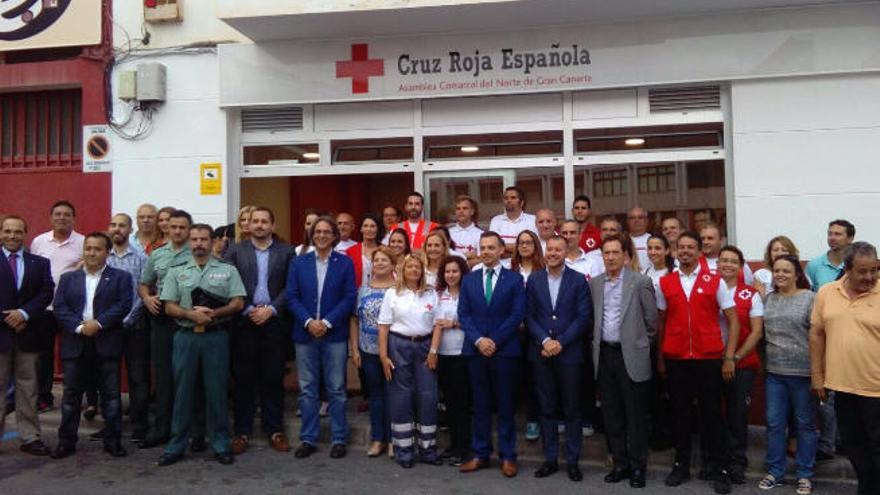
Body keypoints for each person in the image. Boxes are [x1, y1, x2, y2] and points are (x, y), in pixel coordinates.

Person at [155, 223, 246, 467]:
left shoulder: (227, 270)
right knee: (183, 392)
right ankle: (176, 445)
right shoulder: (177, 270)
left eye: (203, 239)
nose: (198, 244)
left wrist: (214, 313)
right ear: (189, 242)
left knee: (217, 392)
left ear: (212, 241)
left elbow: (238, 302)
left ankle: (221, 444)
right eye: (194, 239)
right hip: (186, 337)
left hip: (216, 337)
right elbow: (169, 306)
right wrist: (191, 314)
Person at [656, 231, 739, 494]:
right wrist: (660, 358)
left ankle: (720, 468)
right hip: (677, 358)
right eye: (681, 247)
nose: (686, 251)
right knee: (680, 414)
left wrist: (729, 357)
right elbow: (661, 322)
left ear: (699, 252)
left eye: (691, 247)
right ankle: (681, 465)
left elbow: (734, 320)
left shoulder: (715, 281)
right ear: (674, 252)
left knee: (712, 415)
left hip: (709, 358)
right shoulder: (665, 282)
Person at [51, 232, 133, 459]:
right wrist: (79, 327)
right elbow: (60, 308)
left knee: (111, 397)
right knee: (70, 398)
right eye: (88, 248)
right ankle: (66, 441)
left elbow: (124, 304)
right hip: (75, 343)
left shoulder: (121, 277)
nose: (91, 253)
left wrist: (98, 324)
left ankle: (113, 441)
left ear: (107, 252)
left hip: (106, 343)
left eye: (97, 249)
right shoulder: (69, 279)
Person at [810, 242, 880, 495]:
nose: (870, 277)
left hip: (876, 389)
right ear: (847, 269)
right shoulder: (827, 293)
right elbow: (816, 334)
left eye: (874, 270)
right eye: (863, 271)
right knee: (853, 445)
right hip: (841, 386)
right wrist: (817, 376)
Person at [224, 207, 295, 456]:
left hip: (274, 323)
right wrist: (248, 308)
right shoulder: (234, 251)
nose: (260, 225)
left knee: (273, 378)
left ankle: (274, 430)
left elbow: (291, 287)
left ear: (273, 225)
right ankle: (242, 432)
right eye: (255, 221)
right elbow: (227, 283)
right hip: (244, 322)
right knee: (243, 379)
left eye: (265, 221)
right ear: (248, 225)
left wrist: (272, 309)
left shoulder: (286, 252)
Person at [286, 216, 357, 459]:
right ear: (312, 235)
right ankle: (308, 438)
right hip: (304, 334)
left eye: (327, 231)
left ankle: (339, 438)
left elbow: (349, 297)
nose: (322, 235)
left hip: (334, 334)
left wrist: (326, 322)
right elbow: (291, 296)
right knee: (307, 390)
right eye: (318, 231)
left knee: (336, 388)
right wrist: (308, 322)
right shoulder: (299, 263)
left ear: (334, 235)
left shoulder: (345, 263)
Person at [590, 235, 657, 489]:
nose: (610, 257)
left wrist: (637, 345)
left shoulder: (640, 282)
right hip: (604, 356)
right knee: (612, 414)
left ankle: (638, 467)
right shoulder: (595, 284)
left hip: (631, 356)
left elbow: (652, 324)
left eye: (615, 252)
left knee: (635, 416)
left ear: (625, 255)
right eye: (606, 253)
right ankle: (620, 464)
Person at [458, 232, 526, 478]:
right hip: (476, 351)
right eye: (482, 247)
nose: (485, 251)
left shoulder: (514, 280)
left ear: (501, 251)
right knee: (480, 405)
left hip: (504, 351)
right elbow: (463, 314)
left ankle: (508, 456)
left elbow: (517, 314)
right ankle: (480, 454)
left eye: (490, 247)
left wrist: (494, 341)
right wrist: (478, 340)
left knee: (506, 405)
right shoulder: (469, 280)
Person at [527, 235, 592, 482]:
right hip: (541, 352)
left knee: (572, 408)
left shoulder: (578, 280)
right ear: (545, 252)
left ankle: (573, 461)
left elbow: (583, 317)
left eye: (558, 249)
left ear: (566, 252)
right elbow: (529, 315)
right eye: (550, 249)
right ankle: (550, 459)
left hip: (570, 354)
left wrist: (560, 342)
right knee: (547, 408)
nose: (553, 253)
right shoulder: (534, 280)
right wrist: (545, 341)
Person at [758, 255, 816, 494]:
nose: (780, 274)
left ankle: (804, 474)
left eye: (786, 271)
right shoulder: (768, 299)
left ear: (797, 274)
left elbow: (817, 335)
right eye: (777, 270)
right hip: (775, 373)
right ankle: (775, 471)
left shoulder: (809, 298)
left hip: (803, 373)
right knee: (774, 424)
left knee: (805, 425)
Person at [138, 209, 196, 449]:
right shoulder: (157, 254)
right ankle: (161, 428)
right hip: (162, 317)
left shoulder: (197, 252)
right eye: (174, 227)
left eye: (183, 227)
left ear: (189, 229)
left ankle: (190, 429)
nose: (178, 231)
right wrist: (146, 298)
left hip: (189, 316)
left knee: (189, 374)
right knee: (163, 375)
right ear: (167, 229)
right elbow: (144, 284)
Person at [377, 254, 442, 468]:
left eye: (417, 267)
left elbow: (438, 325)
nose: (414, 270)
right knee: (401, 396)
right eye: (409, 267)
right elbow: (384, 327)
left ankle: (428, 449)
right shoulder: (392, 293)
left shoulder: (431, 294)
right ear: (403, 270)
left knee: (428, 395)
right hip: (399, 345)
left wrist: (433, 350)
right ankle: (403, 450)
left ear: (422, 271)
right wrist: (384, 356)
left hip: (424, 346)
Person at [0, 215, 54, 456]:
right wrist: (8, 318)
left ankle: (30, 436)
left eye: (18, 231)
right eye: (8, 231)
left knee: (28, 387)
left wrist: (23, 314)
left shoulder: (39, 262)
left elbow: (46, 292)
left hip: (28, 333)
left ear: (25, 234)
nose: (13, 236)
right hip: (1, 333)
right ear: (1, 233)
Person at [30, 200, 85, 413]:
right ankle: (44, 397)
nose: (62, 218)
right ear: (50, 217)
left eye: (67, 214)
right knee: (43, 355)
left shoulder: (82, 242)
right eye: (58, 214)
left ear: (74, 218)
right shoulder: (39, 242)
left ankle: (75, 396)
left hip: (72, 309)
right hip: (45, 308)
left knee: (74, 355)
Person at [805, 218, 853, 462]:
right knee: (826, 393)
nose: (833, 237)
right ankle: (828, 442)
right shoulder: (815, 265)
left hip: (850, 337)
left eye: (838, 234)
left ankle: (845, 440)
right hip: (824, 336)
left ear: (850, 238)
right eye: (830, 233)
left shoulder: (856, 265)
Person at [716, 246, 764, 485]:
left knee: (736, 414)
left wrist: (733, 358)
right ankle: (717, 462)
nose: (727, 265)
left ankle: (736, 463)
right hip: (711, 361)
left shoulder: (749, 294)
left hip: (742, 364)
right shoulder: (708, 290)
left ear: (741, 265)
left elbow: (756, 332)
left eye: (732, 261)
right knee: (715, 414)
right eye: (723, 260)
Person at [349, 247, 396, 458]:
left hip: (394, 351)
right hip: (367, 351)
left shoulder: (399, 290)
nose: (379, 263)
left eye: (384, 260)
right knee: (376, 396)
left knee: (395, 396)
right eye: (376, 260)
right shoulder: (363, 290)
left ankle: (395, 439)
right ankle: (379, 439)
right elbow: (354, 319)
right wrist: (355, 349)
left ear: (393, 264)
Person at [107, 213, 148, 444]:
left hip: (136, 326)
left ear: (130, 229)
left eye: (122, 225)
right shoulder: (104, 256)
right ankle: (111, 426)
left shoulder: (141, 257)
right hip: (108, 328)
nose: (117, 229)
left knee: (138, 379)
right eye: (113, 225)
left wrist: (129, 318)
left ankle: (139, 427)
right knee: (108, 378)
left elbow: (145, 292)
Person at [434, 255, 472, 466]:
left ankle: (464, 448)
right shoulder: (439, 295)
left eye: (455, 271)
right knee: (449, 403)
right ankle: (454, 446)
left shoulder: (468, 294)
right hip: (443, 354)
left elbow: (476, 321)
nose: (451, 275)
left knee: (462, 404)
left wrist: (454, 324)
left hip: (463, 354)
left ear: (462, 273)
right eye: (447, 271)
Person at [510, 229, 544, 441]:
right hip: (513, 333)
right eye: (520, 242)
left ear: (535, 246)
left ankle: (534, 419)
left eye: (528, 242)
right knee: (514, 377)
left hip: (536, 332)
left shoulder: (544, 270)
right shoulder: (509, 270)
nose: (524, 246)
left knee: (535, 378)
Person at [488, 186, 537, 255]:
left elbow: (534, 247)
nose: (509, 200)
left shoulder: (533, 220)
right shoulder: (496, 221)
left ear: (522, 202)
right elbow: (492, 246)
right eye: (506, 198)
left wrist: (503, 248)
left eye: (513, 198)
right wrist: (521, 247)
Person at [346, 213, 385, 288]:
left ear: (378, 229)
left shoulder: (385, 250)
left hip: (381, 292)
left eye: (372, 226)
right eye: (365, 226)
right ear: (361, 229)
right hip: (357, 294)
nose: (369, 229)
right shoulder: (351, 251)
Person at [448, 195, 483, 267]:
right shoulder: (448, 233)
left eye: (465, 208)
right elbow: (445, 257)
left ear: (472, 211)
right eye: (458, 208)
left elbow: (482, 259)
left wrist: (457, 259)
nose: (461, 211)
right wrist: (468, 255)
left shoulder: (481, 234)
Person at [626, 207, 651, 271]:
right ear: (628, 221)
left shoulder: (653, 240)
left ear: (647, 221)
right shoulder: (624, 241)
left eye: (640, 217)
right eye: (632, 218)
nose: (636, 220)